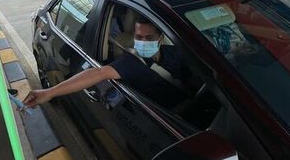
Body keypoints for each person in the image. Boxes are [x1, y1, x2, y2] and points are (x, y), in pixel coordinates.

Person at [23, 17, 192, 110]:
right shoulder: (130, 62)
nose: (142, 42)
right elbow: (97, 73)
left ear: (160, 38)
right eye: (138, 37)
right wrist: (50, 92)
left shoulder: (175, 53)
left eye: (149, 38)